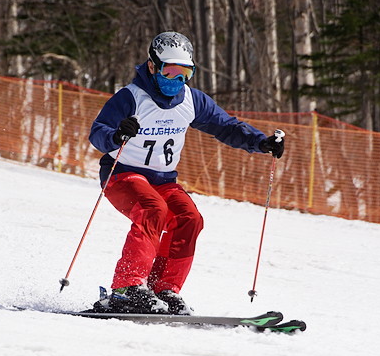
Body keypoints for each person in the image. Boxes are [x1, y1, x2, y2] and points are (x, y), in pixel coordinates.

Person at [88, 31, 285, 315]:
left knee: (189, 219)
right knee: (152, 208)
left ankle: (162, 289)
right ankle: (126, 289)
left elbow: (225, 126)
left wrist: (260, 142)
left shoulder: (192, 100)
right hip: (122, 175)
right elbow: (98, 132)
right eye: (170, 71)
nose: (176, 80)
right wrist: (117, 135)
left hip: (163, 179)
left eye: (185, 72)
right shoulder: (131, 97)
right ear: (153, 66)